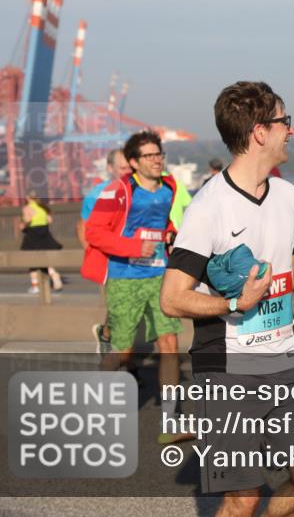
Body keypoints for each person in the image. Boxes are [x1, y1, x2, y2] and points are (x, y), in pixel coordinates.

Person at [161, 81, 294, 515]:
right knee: (243, 498)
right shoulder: (208, 208)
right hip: (226, 366)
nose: (291, 131)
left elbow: (289, 263)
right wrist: (235, 304)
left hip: (285, 358)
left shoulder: (288, 196)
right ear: (260, 132)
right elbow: (172, 299)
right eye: (284, 121)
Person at [80, 130, 187, 444]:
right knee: (123, 353)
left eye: (159, 154)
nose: (157, 160)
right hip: (125, 278)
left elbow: (162, 224)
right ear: (134, 162)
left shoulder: (169, 187)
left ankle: (169, 423)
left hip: (159, 276)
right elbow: (94, 232)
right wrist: (132, 247)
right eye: (149, 156)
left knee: (170, 344)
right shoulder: (118, 191)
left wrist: (170, 234)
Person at [78, 149, 133, 354]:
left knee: (128, 306)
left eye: (130, 167)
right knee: (122, 306)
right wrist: (95, 256)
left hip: (139, 257)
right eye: (123, 168)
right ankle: (121, 354)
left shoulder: (142, 189)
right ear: (110, 168)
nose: (128, 172)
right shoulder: (98, 194)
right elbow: (84, 227)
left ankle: (107, 335)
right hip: (111, 260)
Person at [19, 191, 64, 293]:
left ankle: (36, 286)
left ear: (27, 197)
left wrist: (22, 225)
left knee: (32, 262)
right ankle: (54, 275)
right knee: (46, 259)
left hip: (33, 234)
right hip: (44, 233)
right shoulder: (43, 207)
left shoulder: (27, 208)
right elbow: (49, 220)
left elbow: (28, 219)